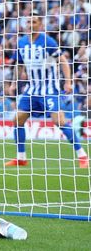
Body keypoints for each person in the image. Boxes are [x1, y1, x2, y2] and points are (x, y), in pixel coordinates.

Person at [5, 12, 88, 168]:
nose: (30, 25)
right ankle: (21, 158)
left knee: (60, 122)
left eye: (34, 22)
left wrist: (68, 82)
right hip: (31, 90)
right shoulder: (22, 42)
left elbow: (63, 61)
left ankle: (82, 155)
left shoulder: (47, 41)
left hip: (49, 89)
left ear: (40, 24)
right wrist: (14, 83)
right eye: (28, 22)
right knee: (17, 120)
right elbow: (19, 64)